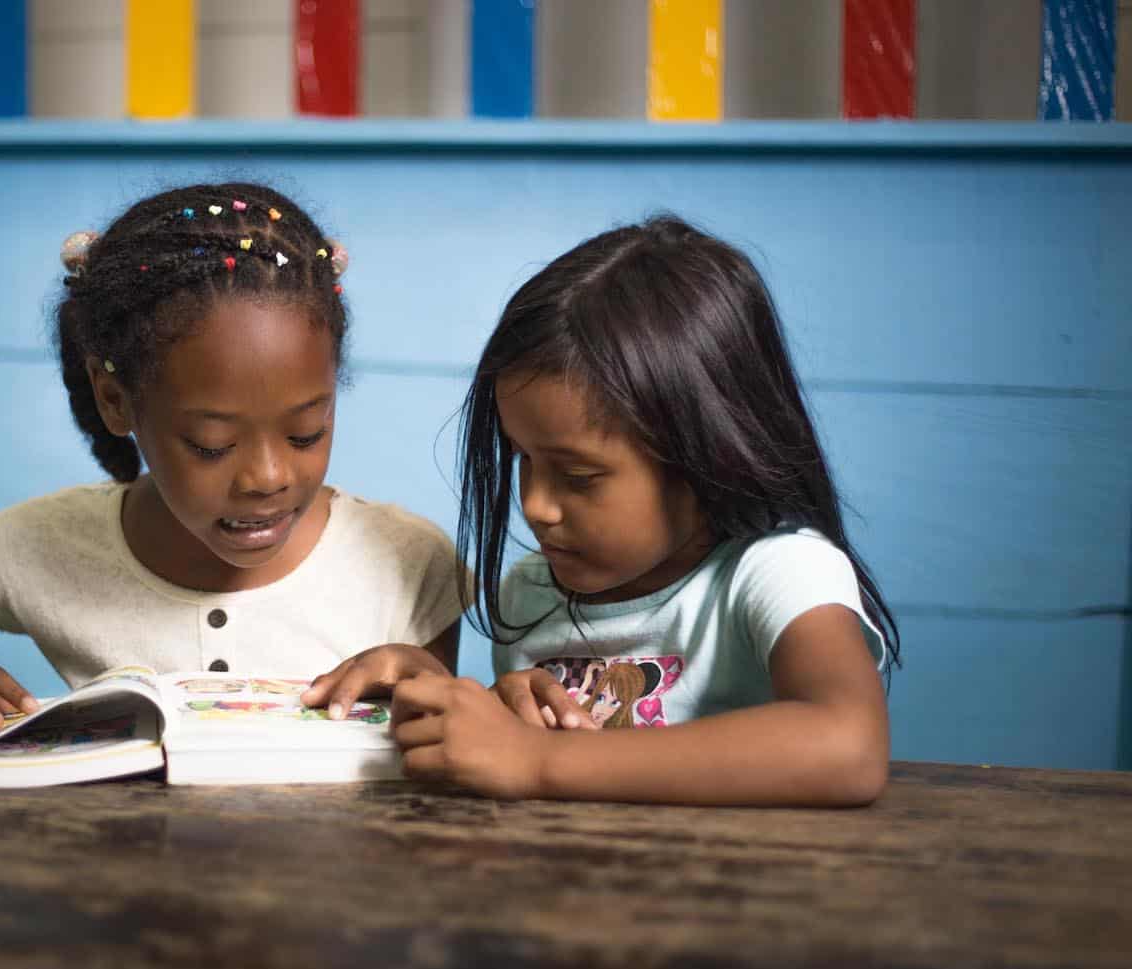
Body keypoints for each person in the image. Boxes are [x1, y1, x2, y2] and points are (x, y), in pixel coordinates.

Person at [0, 183, 462, 741]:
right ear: (116, 400)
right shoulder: (36, 546)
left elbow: (434, 762)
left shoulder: (406, 563)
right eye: (211, 444)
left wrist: (430, 690)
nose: (267, 476)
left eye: (307, 431)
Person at [305, 215, 900, 805]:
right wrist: (444, 698)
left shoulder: (776, 573)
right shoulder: (532, 596)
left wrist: (538, 761)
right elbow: (521, 767)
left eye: (580, 476)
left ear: (705, 455)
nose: (536, 506)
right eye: (523, 460)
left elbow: (847, 745)